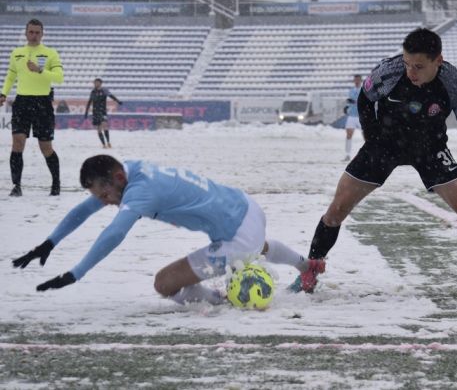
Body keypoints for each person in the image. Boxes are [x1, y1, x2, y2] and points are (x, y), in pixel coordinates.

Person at [292, 28, 457, 303]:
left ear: (439, 61)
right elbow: (365, 98)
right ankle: (310, 272)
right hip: (385, 145)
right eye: (408, 63)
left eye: (419, 66)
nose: (411, 71)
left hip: (430, 148)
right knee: (336, 210)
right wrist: (372, 137)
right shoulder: (390, 71)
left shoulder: (454, 83)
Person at [12, 155, 325, 305]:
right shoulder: (132, 170)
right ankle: (305, 265)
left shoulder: (140, 194)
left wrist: (76, 273)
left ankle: (220, 300)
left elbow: (114, 233)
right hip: (247, 207)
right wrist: (49, 243)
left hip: (238, 239)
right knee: (257, 244)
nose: (105, 203)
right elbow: (84, 209)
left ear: (118, 178)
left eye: (105, 196)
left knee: (164, 284)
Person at [0, 18, 64, 197]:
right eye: (31, 32)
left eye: (37, 32)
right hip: (22, 102)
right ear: (26, 33)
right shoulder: (17, 53)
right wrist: (3, 93)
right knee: (18, 142)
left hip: (42, 103)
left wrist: (40, 70)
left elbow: (59, 78)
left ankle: (56, 183)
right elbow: (11, 76)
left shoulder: (50, 53)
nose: (34, 35)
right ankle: (17, 185)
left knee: (46, 147)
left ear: (42, 34)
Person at [84, 78, 122, 149]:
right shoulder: (93, 92)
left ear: (100, 83)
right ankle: (103, 144)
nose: (95, 84)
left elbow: (111, 96)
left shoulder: (104, 90)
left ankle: (108, 142)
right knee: (99, 129)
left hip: (103, 111)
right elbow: (89, 102)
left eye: (97, 83)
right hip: (95, 112)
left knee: (105, 125)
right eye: (94, 83)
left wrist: (117, 101)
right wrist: (86, 112)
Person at [343, 74, 363, 161]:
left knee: (366, 136)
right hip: (351, 116)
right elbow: (349, 101)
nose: (356, 81)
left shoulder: (363, 90)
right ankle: (347, 154)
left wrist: (354, 101)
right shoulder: (351, 91)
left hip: (361, 116)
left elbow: (363, 101)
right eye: (355, 80)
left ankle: (368, 155)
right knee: (348, 135)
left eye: (358, 80)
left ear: (360, 80)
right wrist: (347, 107)